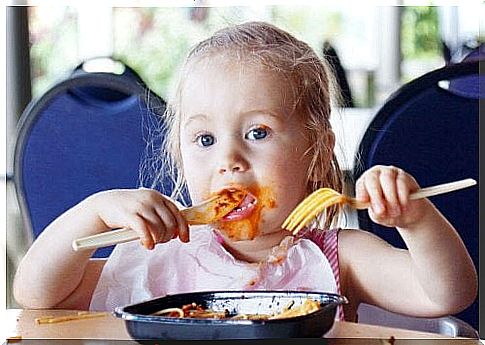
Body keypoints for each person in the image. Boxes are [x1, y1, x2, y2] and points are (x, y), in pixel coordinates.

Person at [13, 22, 477, 322]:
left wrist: (416, 221)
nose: (228, 160)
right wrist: (94, 213)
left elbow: (445, 296)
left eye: (257, 132)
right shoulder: (160, 257)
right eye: (205, 140)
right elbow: (37, 295)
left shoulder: (341, 259)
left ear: (316, 148)